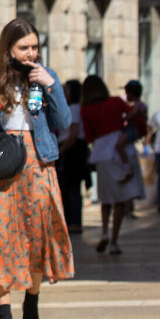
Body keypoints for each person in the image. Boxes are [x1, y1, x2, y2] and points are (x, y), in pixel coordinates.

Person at [0, 18, 73, 319]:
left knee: (35, 234)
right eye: (23, 48)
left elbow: (64, 122)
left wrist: (51, 86)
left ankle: (32, 303)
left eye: (35, 47)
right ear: (8, 49)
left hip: (37, 163)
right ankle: (4, 317)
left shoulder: (46, 77)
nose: (30, 54)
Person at [80, 76, 145, 255]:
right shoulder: (116, 102)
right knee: (120, 200)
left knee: (106, 198)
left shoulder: (85, 110)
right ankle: (114, 240)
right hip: (119, 148)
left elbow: (89, 137)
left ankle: (103, 233)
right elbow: (132, 114)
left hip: (101, 152)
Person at [56, 80, 88, 234]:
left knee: (72, 187)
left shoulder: (74, 109)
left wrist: (62, 149)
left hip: (72, 150)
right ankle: (71, 220)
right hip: (68, 148)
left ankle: (74, 221)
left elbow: (73, 134)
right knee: (68, 187)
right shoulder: (71, 108)